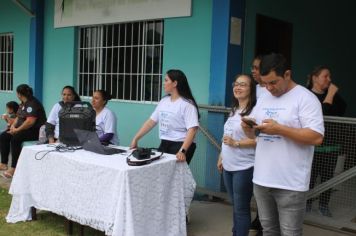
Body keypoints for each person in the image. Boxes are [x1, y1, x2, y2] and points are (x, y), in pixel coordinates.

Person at [242, 53, 324, 236]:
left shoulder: (306, 98)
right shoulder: (264, 97)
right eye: (265, 84)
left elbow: (317, 137)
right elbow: (256, 133)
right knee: (269, 231)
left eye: (273, 82)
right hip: (262, 178)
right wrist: (248, 128)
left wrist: (280, 129)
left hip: (290, 182)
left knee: (290, 233)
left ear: (287, 74)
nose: (269, 88)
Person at [130, 69, 199, 164]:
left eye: (166, 80)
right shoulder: (164, 101)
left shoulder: (187, 104)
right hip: (165, 142)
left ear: (175, 83)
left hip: (181, 144)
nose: (163, 83)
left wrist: (183, 151)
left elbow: (193, 129)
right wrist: (136, 138)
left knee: (176, 175)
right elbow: (151, 122)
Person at [217, 74, 257, 236]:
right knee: (235, 206)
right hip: (228, 165)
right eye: (236, 84)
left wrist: (236, 143)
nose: (238, 87)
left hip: (244, 166)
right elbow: (226, 135)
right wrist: (221, 156)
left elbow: (259, 140)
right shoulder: (234, 110)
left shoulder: (254, 112)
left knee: (241, 209)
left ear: (251, 89)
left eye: (243, 85)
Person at [306, 66, 347, 217]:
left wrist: (332, 94)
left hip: (331, 146)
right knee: (310, 177)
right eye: (326, 76)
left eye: (330, 76)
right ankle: (307, 203)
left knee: (327, 177)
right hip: (313, 146)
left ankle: (324, 205)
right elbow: (322, 114)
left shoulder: (334, 96)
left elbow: (342, 108)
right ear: (315, 78)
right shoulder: (307, 95)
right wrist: (330, 94)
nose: (329, 80)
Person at [0, 84, 47, 178]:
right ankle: (3, 163)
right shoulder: (23, 103)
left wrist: (17, 130)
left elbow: (30, 122)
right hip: (23, 129)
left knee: (15, 139)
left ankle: (14, 168)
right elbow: (18, 117)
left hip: (35, 131)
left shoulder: (33, 103)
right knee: (4, 135)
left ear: (19, 94)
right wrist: (13, 127)